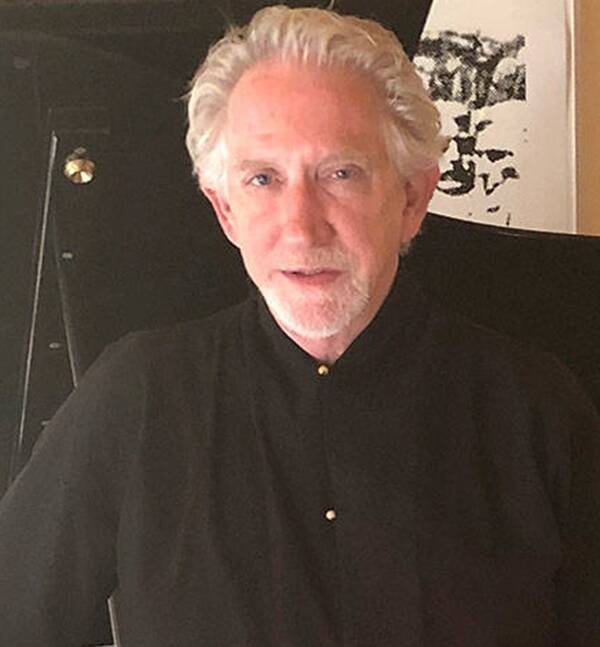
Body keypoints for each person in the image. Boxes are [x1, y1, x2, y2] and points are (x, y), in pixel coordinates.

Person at [1, 5, 599, 646]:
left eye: (340, 173)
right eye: (263, 179)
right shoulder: (134, 398)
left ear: (411, 197)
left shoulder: (537, 410)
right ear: (225, 211)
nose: (301, 228)